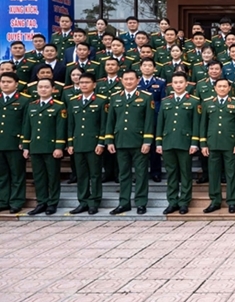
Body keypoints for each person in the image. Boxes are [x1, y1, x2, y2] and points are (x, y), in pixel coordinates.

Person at [105, 70, 155, 215]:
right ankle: (124, 203)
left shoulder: (146, 97)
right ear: (121, 80)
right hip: (120, 141)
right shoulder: (115, 97)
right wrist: (109, 140)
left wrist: (147, 141)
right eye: (126, 79)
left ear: (137, 80)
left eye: (131, 79)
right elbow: (111, 121)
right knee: (123, 174)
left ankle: (141, 202)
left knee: (141, 174)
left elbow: (149, 121)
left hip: (139, 142)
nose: (128, 82)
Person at [155, 72, 200, 215]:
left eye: (181, 82)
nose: (178, 85)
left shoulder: (193, 101)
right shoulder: (166, 101)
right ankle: (172, 201)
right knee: (171, 174)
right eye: (175, 82)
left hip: (185, 142)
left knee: (185, 173)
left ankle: (184, 202)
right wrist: (158, 142)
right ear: (171, 85)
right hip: (168, 142)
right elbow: (160, 123)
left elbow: (196, 124)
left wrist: (194, 143)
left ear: (186, 84)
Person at [22, 78, 67, 215]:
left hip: (51, 147)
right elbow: (27, 126)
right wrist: (26, 145)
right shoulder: (32, 105)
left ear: (53, 89)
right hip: (36, 147)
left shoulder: (59, 106)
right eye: (40, 87)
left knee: (52, 177)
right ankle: (41, 202)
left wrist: (59, 146)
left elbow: (60, 128)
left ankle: (52, 203)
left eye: (46, 87)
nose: (43, 89)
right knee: (39, 177)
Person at [199, 78, 235, 214]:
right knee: (213, 173)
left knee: (231, 173)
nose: (222, 88)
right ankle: (215, 201)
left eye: (225, 86)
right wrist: (203, 144)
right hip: (212, 143)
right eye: (219, 86)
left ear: (229, 88)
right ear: (215, 88)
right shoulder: (207, 103)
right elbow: (203, 125)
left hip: (229, 144)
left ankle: (232, 201)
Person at [66, 73, 107, 215]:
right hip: (78, 143)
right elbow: (70, 124)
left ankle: (94, 202)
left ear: (94, 85)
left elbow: (103, 124)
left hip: (93, 143)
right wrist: (70, 143)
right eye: (81, 82)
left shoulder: (101, 101)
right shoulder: (74, 101)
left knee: (95, 174)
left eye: (87, 82)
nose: (83, 85)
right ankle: (83, 201)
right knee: (81, 174)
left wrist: (101, 142)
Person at [0, 72, 30, 214]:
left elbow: (26, 123)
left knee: (17, 174)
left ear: (16, 84)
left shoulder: (25, 100)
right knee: (2, 174)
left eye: (9, 82)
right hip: (1, 143)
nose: (5, 84)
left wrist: (24, 141)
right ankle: (3, 201)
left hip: (15, 143)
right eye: (3, 81)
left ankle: (16, 201)